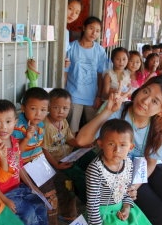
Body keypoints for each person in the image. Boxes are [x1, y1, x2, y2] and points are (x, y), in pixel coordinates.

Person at [76, 75, 162, 225]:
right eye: (146, 92)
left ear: (161, 111)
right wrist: (108, 111)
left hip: (148, 168)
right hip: (119, 170)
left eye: (155, 101)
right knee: (160, 215)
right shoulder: (118, 109)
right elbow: (81, 140)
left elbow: (151, 161)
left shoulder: (160, 126)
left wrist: (135, 185)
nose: (145, 101)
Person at [0, 99, 48, 225]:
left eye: (8, 122)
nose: (4, 127)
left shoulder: (13, 141)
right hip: (4, 193)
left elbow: (18, 165)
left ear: (15, 122)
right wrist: (4, 200)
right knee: (28, 213)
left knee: (40, 204)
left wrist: (32, 187)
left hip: (19, 188)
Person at [43, 88, 96, 222]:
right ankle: (91, 203)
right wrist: (56, 165)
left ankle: (100, 191)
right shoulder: (45, 125)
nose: (61, 111)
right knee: (77, 175)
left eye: (65, 108)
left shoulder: (63, 121)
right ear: (49, 106)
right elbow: (44, 150)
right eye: (56, 107)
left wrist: (82, 145)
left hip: (69, 154)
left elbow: (69, 139)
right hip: (57, 161)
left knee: (93, 158)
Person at [86, 119, 151, 225]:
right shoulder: (96, 169)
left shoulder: (128, 163)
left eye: (123, 145)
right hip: (103, 216)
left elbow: (125, 191)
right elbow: (93, 205)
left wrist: (126, 207)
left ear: (131, 147)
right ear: (101, 144)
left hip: (121, 210)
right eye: (111, 144)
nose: (117, 150)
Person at [12, 87, 58, 225]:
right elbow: (16, 154)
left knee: (50, 195)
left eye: (43, 110)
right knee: (43, 197)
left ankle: (52, 221)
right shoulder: (18, 126)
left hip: (40, 164)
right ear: (23, 107)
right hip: (27, 167)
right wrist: (27, 137)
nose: (38, 113)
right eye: (33, 109)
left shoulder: (41, 124)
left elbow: (39, 146)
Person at [65, 16, 108, 134]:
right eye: (91, 28)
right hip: (73, 95)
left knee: (93, 130)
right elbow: (65, 71)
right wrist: (64, 93)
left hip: (92, 97)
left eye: (98, 31)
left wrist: (99, 96)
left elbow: (101, 75)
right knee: (71, 131)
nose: (94, 33)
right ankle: (71, 152)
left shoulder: (100, 51)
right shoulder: (71, 47)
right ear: (84, 28)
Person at [64, 0, 82, 68]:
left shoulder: (66, 32)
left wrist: (65, 61)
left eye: (77, 12)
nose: (73, 14)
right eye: (70, 9)